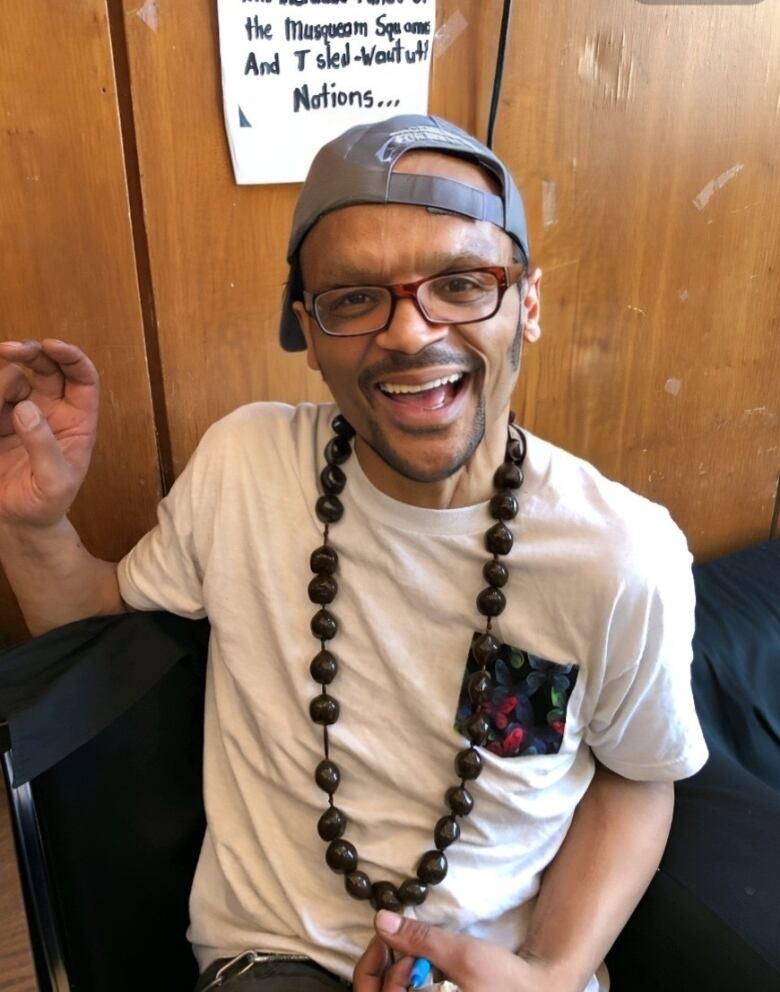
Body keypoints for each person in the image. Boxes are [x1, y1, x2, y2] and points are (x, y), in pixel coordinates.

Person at [0, 115, 707, 992]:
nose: (410, 333)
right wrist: (32, 527)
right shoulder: (246, 469)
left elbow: (639, 780)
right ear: (309, 328)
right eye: (354, 298)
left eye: (460, 283)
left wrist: (554, 971)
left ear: (527, 302)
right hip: (276, 960)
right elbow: (89, 641)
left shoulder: (622, 554)